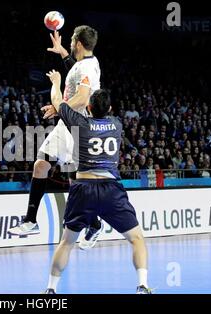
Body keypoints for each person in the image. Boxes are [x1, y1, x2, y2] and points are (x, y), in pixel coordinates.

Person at [42, 71, 152, 294]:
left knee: (67, 243)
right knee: (137, 238)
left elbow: (57, 102)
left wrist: (56, 83)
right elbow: (103, 110)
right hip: (111, 189)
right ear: (110, 110)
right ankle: (142, 286)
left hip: (83, 189)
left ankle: (50, 290)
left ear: (88, 109)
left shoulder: (79, 122)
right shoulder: (117, 124)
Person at [8, 26, 103, 250]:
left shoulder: (88, 66)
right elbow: (76, 73)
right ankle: (30, 221)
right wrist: (62, 51)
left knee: (75, 183)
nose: (70, 41)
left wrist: (57, 106)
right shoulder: (84, 64)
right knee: (41, 165)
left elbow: (82, 97)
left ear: (78, 43)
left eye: (71, 40)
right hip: (66, 125)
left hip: (79, 127)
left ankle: (94, 224)